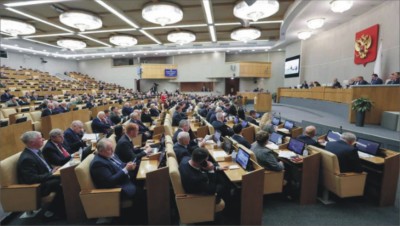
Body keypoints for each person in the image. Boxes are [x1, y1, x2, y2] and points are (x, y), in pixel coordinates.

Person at [17, 131, 64, 218]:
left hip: (46, 179)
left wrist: (53, 170)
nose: (43, 139)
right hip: (38, 187)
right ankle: (53, 212)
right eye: (40, 138)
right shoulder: (27, 159)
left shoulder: (36, 151)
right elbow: (31, 179)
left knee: (65, 177)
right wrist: (51, 174)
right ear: (32, 142)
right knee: (62, 181)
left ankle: (62, 207)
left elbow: (45, 167)